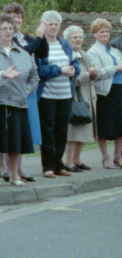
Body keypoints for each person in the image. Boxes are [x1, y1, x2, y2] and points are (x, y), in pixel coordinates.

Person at [0, 14, 39, 187]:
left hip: (18, 102)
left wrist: (26, 91)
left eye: (11, 28)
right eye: (4, 28)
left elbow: (34, 77)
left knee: (16, 141)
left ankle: (15, 175)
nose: (8, 32)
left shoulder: (24, 53)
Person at [27, 11, 79, 178]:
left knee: (62, 130)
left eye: (56, 24)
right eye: (50, 24)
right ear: (44, 25)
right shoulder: (40, 45)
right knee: (48, 130)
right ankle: (48, 166)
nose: (53, 27)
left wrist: (73, 70)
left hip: (65, 94)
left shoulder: (65, 44)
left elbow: (75, 63)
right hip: (47, 95)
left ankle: (59, 164)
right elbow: (39, 71)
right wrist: (59, 70)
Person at [4, 2, 39, 183]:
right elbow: (26, 53)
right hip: (11, 91)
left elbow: (41, 51)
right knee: (11, 130)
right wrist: (39, 38)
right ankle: (9, 170)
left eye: (19, 16)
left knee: (25, 131)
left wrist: (39, 39)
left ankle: (18, 168)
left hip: (27, 89)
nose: (16, 20)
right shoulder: (7, 39)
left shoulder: (26, 37)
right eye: (12, 16)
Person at [87, 19, 122, 168]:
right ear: (95, 34)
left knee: (120, 125)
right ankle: (105, 157)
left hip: (119, 88)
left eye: (107, 31)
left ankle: (118, 156)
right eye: (101, 32)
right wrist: (115, 68)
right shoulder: (92, 51)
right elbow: (96, 74)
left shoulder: (115, 50)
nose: (105, 34)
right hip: (105, 91)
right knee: (104, 125)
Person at [63, 25, 96, 172]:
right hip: (74, 96)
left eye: (80, 37)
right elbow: (72, 79)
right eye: (75, 37)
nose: (78, 40)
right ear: (68, 39)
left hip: (87, 96)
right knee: (74, 130)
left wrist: (95, 73)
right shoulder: (67, 55)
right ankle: (68, 161)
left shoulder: (84, 54)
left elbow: (91, 74)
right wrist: (87, 75)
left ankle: (77, 159)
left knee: (84, 128)